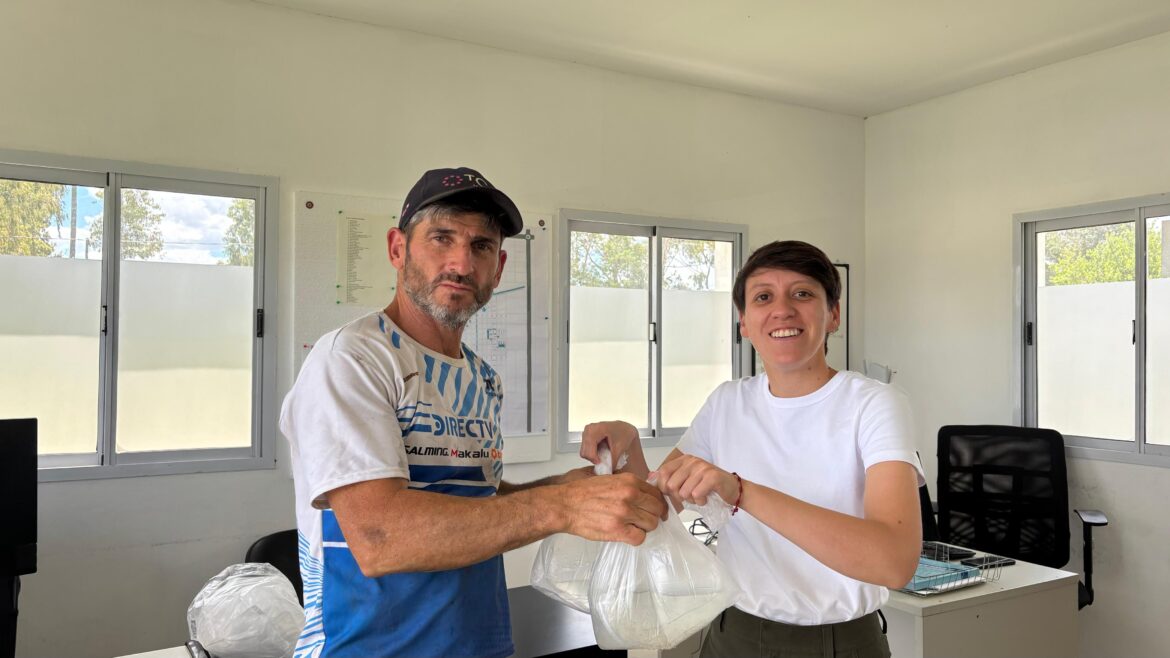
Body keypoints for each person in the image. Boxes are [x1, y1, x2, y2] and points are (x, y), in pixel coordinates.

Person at [280, 167, 665, 658]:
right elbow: (380, 537)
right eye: (441, 238)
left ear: (498, 268)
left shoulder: (482, 378)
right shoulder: (354, 359)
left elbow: (476, 498)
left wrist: (569, 485)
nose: (461, 263)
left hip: (481, 644)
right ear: (398, 249)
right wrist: (562, 507)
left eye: (481, 246)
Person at [581, 240, 923, 658]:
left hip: (840, 642)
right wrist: (629, 449)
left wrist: (740, 492)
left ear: (833, 314)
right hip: (733, 634)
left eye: (802, 293)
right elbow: (655, 507)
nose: (782, 310)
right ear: (744, 323)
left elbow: (894, 562)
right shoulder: (727, 403)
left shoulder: (874, 404)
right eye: (763, 297)